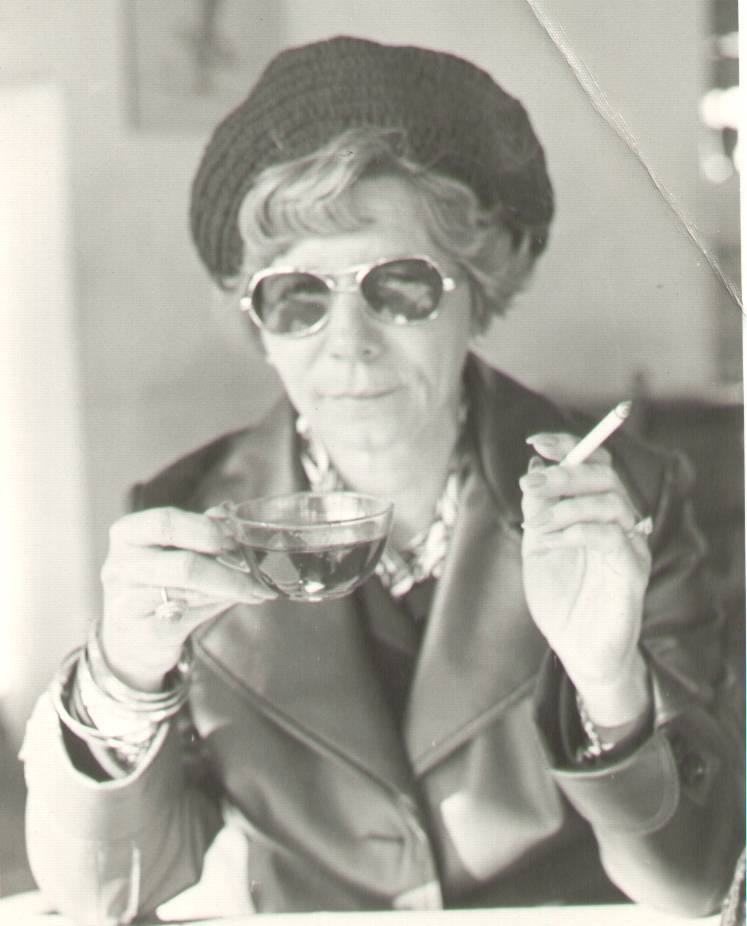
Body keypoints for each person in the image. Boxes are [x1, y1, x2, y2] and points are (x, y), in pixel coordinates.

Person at [21, 35, 743, 924]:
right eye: (297, 296)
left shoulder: (618, 502)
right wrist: (120, 683)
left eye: (400, 288)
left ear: (475, 292)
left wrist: (608, 683)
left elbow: (697, 890)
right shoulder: (187, 518)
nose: (349, 345)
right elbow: (106, 898)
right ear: (259, 324)